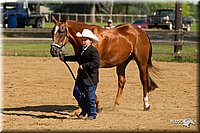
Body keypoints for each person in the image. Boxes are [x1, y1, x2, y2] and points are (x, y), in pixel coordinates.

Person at [61, 29, 100, 120]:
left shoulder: (93, 51)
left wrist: (85, 66)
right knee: (76, 92)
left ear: (90, 41)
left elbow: (96, 63)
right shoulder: (82, 50)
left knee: (90, 97)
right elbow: (77, 58)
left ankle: (92, 114)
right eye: (82, 40)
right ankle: (84, 109)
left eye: (85, 40)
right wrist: (65, 58)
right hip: (81, 76)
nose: (83, 41)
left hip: (90, 78)